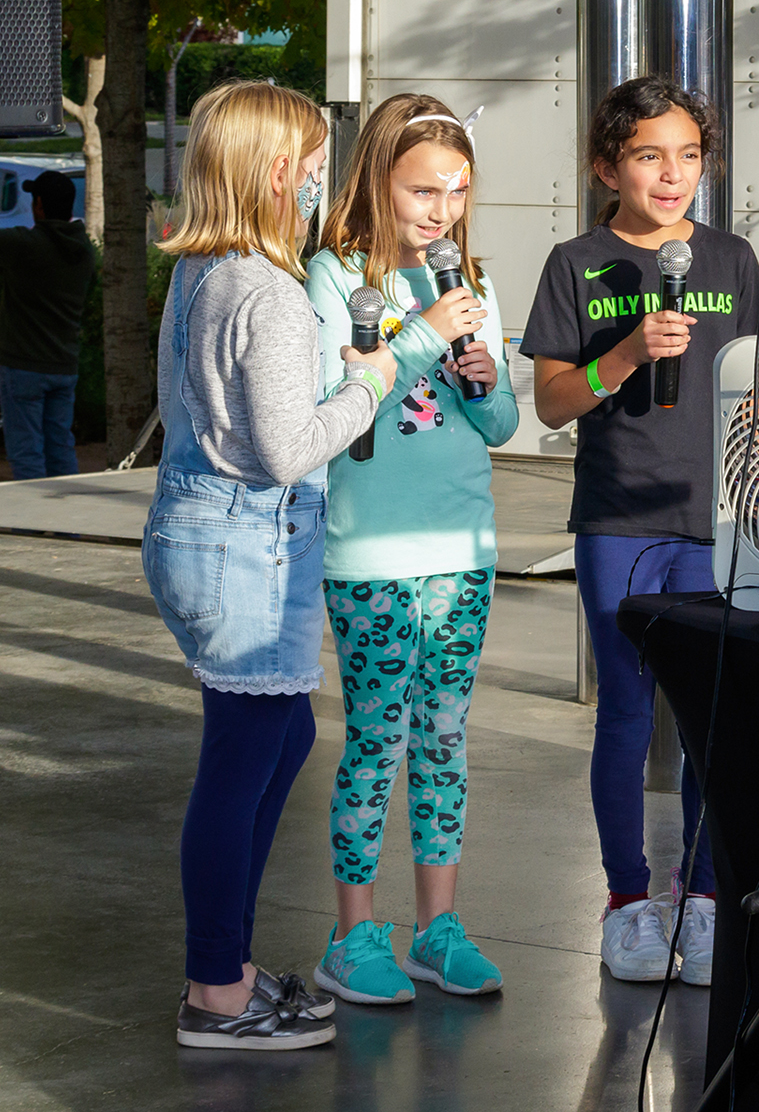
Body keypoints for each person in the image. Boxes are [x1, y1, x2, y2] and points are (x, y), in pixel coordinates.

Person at [144, 80, 398, 1050]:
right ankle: (216, 989)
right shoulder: (272, 293)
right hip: (245, 550)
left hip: (203, 536)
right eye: (310, 162)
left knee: (279, 741)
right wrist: (369, 383)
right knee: (245, 760)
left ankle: (231, 970)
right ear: (271, 171)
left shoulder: (205, 272)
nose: (320, 180)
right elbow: (290, 448)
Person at [520, 76, 759, 986]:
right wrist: (623, 354)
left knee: (710, 719)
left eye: (688, 157)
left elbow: (756, 388)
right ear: (605, 167)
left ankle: (702, 899)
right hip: (620, 517)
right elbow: (549, 405)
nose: (672, 176)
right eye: (649, 157)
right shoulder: (575, 261)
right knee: (626, 712)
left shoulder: (733, 261)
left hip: (716, 521)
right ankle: (628, 904)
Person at [305, 94, 517, 1004]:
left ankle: (438, 927)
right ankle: (352, 937)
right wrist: (426, 343)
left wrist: (480, 376)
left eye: (458, 191)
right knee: (376, 738)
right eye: (423, 189)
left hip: (461, 545)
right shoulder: (333, 277)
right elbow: (331, 409)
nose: (441, 210)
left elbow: (502, 423)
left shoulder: (468, 282)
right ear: (378, 181)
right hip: (371, 551)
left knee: (443, 735)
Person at [0, 170, 97, 479]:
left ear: (39, 205)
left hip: (23, 366)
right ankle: (66, 526)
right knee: (61, 449)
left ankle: (32, 527)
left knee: (26, 453)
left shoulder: (27, 243)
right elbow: (46, 281)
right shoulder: (83, 251)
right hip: (63, 367)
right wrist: (9, 271)